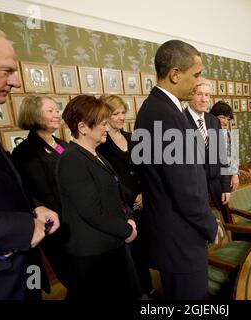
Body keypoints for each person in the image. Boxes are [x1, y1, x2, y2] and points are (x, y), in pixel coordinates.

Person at [134, 40, 220, 300]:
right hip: (180, 236)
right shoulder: (167, 116)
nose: (198, 83)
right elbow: (184, 187)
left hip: (169, 233)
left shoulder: (153, 109)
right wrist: (210, 224)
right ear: (174, 74)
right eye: (196, 75)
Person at [56, 95, 141, 300]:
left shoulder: (94, 154)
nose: (106, 128)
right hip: (94, 254)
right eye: (103, 124)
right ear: (83, 127)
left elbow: (115, 193)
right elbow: (92, 212)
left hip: (110, 245)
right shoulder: (72, 160)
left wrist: (129, 216)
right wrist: (127, 229)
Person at [0, 28, 60, 300]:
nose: (17, 82)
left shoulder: (61, 144)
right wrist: (24, 226)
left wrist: (34, 207)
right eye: (7, 71)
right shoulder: (27, 151)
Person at [96, 94, 155, 299]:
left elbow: (146, 169)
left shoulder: (132, 138)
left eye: (123, 112)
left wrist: (144, 193)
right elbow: (109, 178)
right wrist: (131, 198)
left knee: (144, 247)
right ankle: (139, 294)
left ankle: (149, 289)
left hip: (143, 201)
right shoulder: (100, 144)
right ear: (105, 115)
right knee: (131, 253)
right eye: (116, 113)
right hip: (121, 205)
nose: (121, 117)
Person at [12, 95, 70, 289]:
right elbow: (43, 194)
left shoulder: (63, 144)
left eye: (57, 110)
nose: (57, 114)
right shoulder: (25, 152)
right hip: (58, 227)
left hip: (78, 222)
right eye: (50, 111)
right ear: (35, 115)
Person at [183, 78, 230, 216]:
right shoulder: (180, 121)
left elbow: (222, 156)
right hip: (194, 193)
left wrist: (226, 187)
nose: (204, 99)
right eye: (199, 94)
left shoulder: (213, 120)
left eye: (207, 95)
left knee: (221, 231)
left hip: (216, 190)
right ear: (190, 95)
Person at [210, 101, 240, 192]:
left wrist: (235, 174)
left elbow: (233, 155)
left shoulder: (227, 133)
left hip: (227, 174)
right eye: (222, 117)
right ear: (212, 117)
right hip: (214, 177)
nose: (226, 122)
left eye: (227, 119)